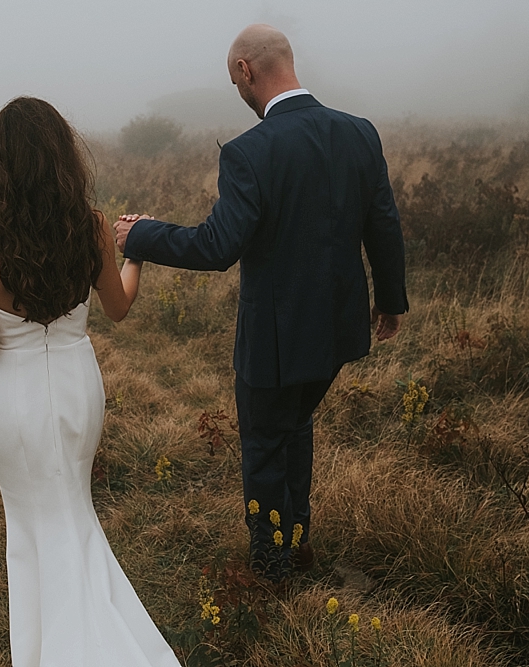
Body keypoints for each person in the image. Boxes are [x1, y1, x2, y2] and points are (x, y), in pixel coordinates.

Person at [114, 24, 408, 583]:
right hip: (338, 330)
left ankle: (271, 568)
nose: (239, 92)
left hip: (275, 340)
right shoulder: (359, 132)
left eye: (234, 81)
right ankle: (295, 543)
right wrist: (391, 299)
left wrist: (142, 235)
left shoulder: (251, 152)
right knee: (295, 426)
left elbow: (217, 246)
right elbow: (383, 223)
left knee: (267, 442)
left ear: (247, 70)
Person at [0, 96, 181, 667]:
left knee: (29, 523)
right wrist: (135, 253)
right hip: (76, 387)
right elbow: (117, 308)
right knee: (72, 509)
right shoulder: (92, 226)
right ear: (61, 157)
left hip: (8, 400)